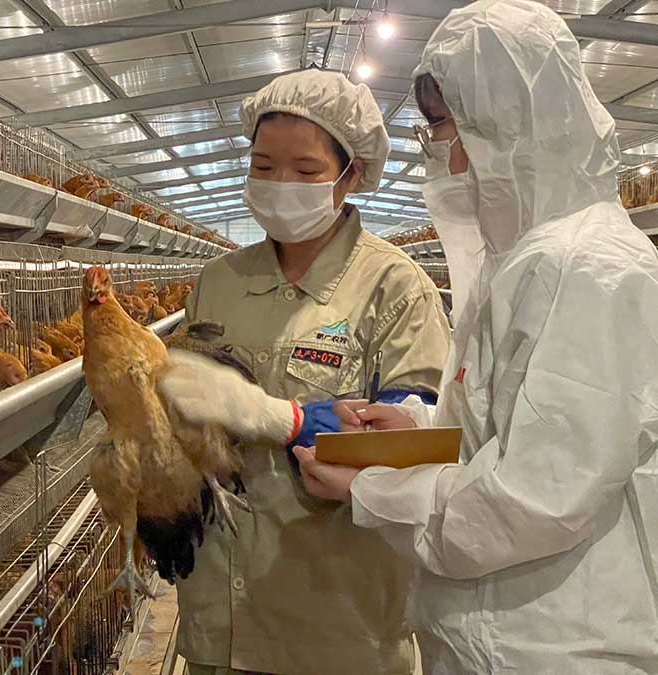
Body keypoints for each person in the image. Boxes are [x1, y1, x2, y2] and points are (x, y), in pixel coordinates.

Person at [162, 2, 658, 673]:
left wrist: (366, 481)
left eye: (447, 128)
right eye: (264, 165)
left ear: (506, 125)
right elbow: (490, 428)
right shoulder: (524, 264)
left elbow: (541, 495)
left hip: (539, 641)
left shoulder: (590, 271)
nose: (443, 152)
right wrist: (416, 425)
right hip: (457, 628)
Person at [162, 69, 451, 675]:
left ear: (352, 174)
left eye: (305, 170)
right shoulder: (218, 281)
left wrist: (290, 420)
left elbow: (417, 443)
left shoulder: (396, 288)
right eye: (263, 166)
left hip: (337, 625)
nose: (280, 185)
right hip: (219, 618)